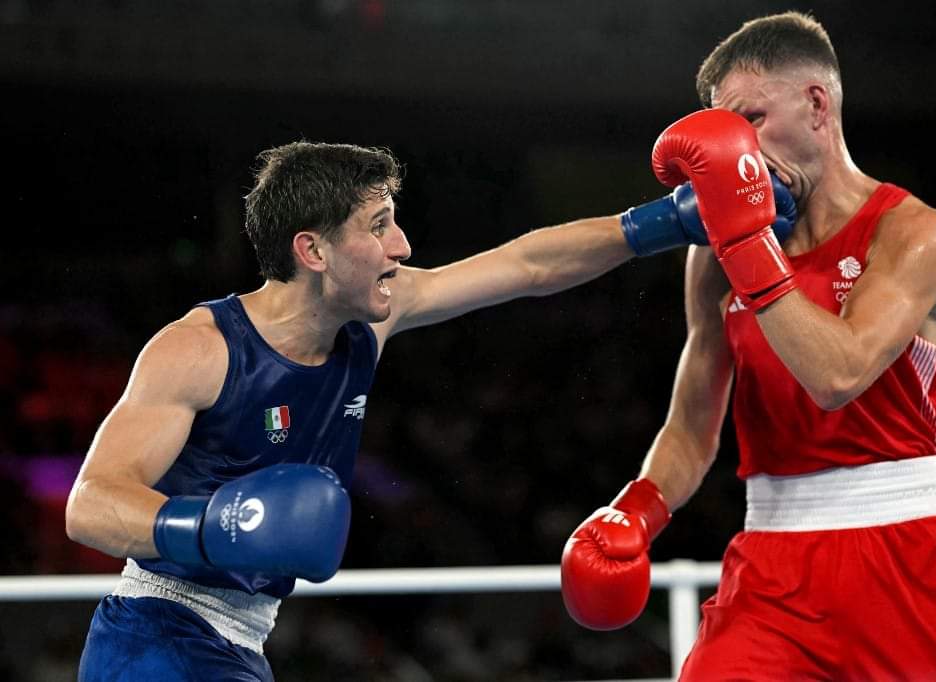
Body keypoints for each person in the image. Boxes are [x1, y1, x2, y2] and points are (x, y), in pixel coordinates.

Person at [64, 140, 798, 680]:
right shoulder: (200, 349)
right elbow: (90, 504)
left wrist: (666, 223)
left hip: (240, 642)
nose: (402, 245)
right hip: (155, 634)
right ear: (313, 251)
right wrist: (213, 524)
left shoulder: (373, 318)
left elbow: (526, 265)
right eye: (379, 226)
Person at [560, 11, 936, 681]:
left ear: (816, 104)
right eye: (725, 133)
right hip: (773, 572)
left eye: (749, 122)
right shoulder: (715, 257)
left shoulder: (914, 233)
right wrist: (636, 509)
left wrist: (748, 247)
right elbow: (693, 427)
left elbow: (839, 373)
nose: (738, 152)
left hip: (910, 563)